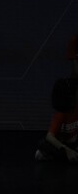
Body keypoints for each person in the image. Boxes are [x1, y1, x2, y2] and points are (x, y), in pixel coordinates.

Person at [35, 34, 78, 162]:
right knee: (43, 149)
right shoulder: (62, 111)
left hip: (73, 143)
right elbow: (50, 137)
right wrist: (65, 150)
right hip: (64, 145)